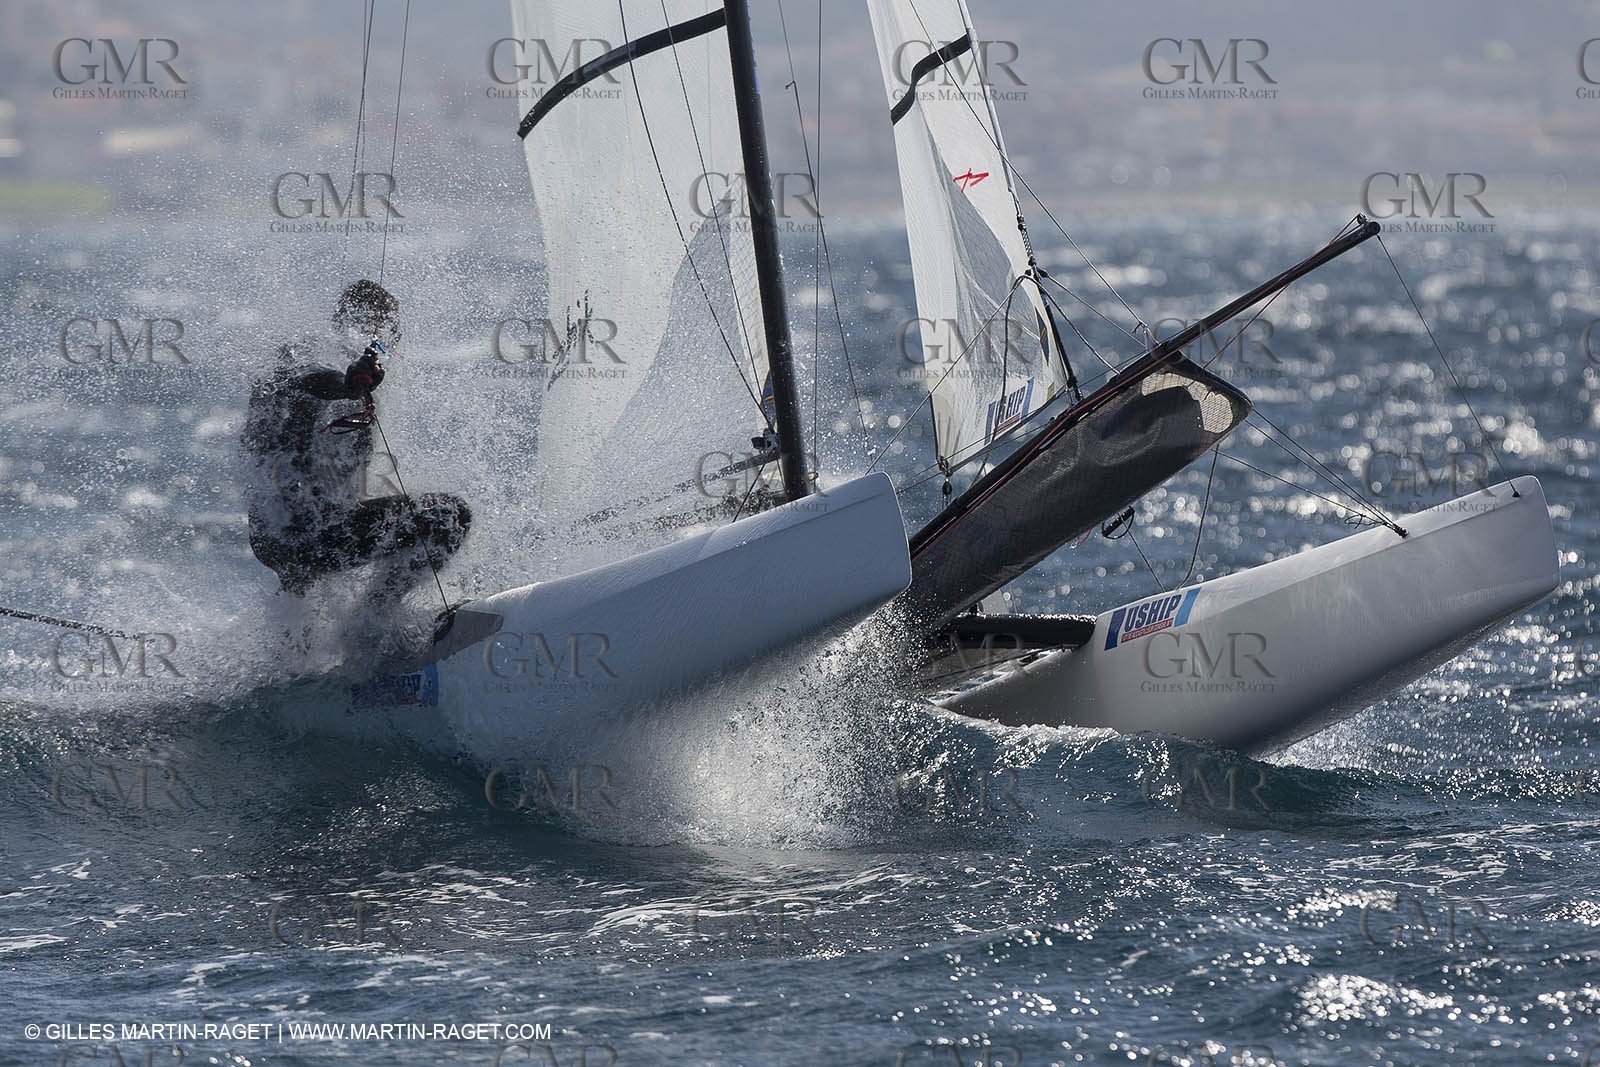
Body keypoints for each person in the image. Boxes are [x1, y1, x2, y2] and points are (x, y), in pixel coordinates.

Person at [240, 279, 471, 596]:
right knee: (449, 515)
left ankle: (302, 622)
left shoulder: (356, 385)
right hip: (300, 536)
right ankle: (379, 612)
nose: (379, 343)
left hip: (281, 536)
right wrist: (346, 386)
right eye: (367, 327)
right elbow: (309, 379)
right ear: (341, 324)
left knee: (316, 565)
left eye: (389, 335)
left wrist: (352, 387)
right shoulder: (307, 358)